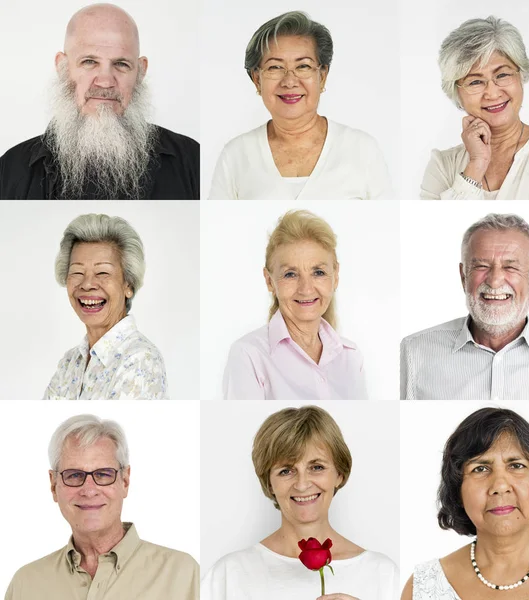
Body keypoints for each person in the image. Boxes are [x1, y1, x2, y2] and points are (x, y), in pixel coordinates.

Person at [0, 3, 199, 199]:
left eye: (121, 64)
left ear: (140, 71)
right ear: (63, 67)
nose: (105, 82)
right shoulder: (10, 168)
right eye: (89, 62)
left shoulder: (191, 159)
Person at [201, 405, 399, 599]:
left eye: (317, 467)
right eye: (286, 471)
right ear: (269, 483)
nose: (302, 485)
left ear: (339, 474)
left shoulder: (383, 575)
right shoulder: (227, 576)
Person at [402, 407, 529, 600]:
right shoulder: (422, 588)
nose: (500, 485)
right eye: (480, 468)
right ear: (457, 488)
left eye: (516, 465)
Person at [400, 213, 529, 399]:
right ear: (463, 276)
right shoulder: (415, 353)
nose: (494, 281)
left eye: (510, 267)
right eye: (481, 266)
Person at [5, 414, 199, 599]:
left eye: (103, 474)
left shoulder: (183, 575)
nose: (89, 490)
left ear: (125, 481)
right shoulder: (25, 584)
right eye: (74, 475)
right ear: (54, 485)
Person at [209, 11, 393, 200]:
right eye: (275, 67)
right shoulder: (235, 155)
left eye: (303, 66)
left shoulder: (362, 149)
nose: (289, 81)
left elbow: (388, 226)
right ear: (257, 80)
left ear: (322, 76)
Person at [420, 16, 529, 200]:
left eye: (502, 74)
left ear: (521, 76)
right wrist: (476, 165)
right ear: (456, 93)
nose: (492, 93)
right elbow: (435, 229)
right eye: (475, 81)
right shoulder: (442, 166)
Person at [223, 210, 367, 400]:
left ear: (336, 275)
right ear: (269, 281)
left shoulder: (351, 357)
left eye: (318, 272)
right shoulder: (249, 356)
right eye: (290, 274)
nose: (306, 289)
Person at [44, 213, 168, 399]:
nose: (87, 284)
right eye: (77, 272)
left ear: (128, 285)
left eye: (102, 272)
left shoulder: (140, 360)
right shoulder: (70, 362)